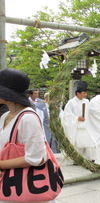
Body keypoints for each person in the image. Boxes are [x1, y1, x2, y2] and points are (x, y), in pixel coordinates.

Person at [0, 68, 55, 203]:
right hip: (8, 185)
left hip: (26, 188)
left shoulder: (28, 118)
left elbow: (36, 158)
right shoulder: (5, 116)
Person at [61, 81, 94, 161]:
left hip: (86, 127)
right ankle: (77, 159)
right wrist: (77, 118)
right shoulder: (71, 103)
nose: (85, 95)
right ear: (78, 93)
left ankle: (88, 159)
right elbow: (67, 116)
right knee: (78, 145)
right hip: (77, 128)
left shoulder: (87, 102)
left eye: (86, 93)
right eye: (83, 93)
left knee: (88, 145)